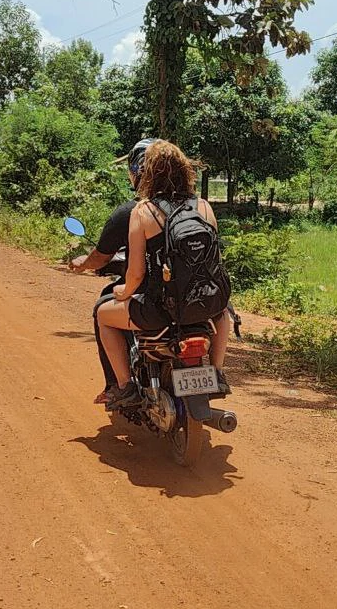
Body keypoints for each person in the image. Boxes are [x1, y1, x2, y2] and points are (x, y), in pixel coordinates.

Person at [94, 140, 232, 408]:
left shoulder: (143, 211)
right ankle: (217, 371)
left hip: (161, 308)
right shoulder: (204, 206)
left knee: (103, 315)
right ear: (184, 170)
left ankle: (124, 386)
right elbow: (214, 264)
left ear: (147, 173)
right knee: (224, 310)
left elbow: (135, 274)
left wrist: (123, 292)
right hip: (205, 304)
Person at [69, 138, 156, 405]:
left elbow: (110, 261)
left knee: (102, 312)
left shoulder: (133, 212)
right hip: (198, 301)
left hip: (152, 302)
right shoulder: (196, 208)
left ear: (135, 171)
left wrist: (84, 263)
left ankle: (121, 385)